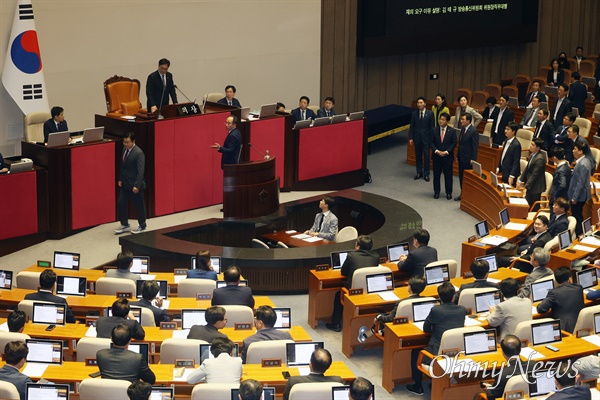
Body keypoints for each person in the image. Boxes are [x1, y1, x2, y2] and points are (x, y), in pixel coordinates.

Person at [406, 282, 467, 395]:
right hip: (456, 352)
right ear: (454, 296)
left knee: (416, 350)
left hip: (437, 354)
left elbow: (426, 328)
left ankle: (418, 386)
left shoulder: (436, 310)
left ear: (439, 297)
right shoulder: (462, 310)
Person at [326, 235, 380, 332]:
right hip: (369, 289)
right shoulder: (376, 256)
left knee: (339, 295)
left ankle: (335, 324)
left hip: (353, 291)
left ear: (357, 246)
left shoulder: (351, 255)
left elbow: (343, 272)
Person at [115, 132, 147, 235]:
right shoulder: (124, 149)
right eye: (124, 142)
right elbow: (122, 166)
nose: (125, 144)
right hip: (125, 183)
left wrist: (136, 185)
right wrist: (120, 178)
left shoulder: (138, 153)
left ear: (133, 142)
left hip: (134, 185)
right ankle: (125, 225)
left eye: (128, 142)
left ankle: (142, 225)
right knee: (121, 202)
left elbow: (140, 171)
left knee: (139, 205)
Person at [537, 266, 584, 333]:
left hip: (564, 329)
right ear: (569, 278)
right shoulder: (579, 288)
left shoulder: (554, 292)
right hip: (580, 325)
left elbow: (541, 309)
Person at [479, 335, 524, 400]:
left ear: (503, 352)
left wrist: (489, 388)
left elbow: (492, 396)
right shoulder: (533, 366)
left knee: (478, 395)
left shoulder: (503, 374)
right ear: (520, 350)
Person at [430, 112, 457, 200]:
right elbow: (431, 142)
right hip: (437, 156)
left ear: (447, 121)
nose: (440, 121)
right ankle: (436, 192)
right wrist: (436, 151)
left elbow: (454, 143)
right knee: (436, 175)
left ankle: (448, 192)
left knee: (448, 175)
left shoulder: (452, 131)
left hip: (447, 157)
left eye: (443, 120)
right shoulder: (434, 130)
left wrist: (446, 151)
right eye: (440, 119)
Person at [568, 141, 593, 236]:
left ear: (581, 151)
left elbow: (580, 183)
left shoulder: (583, 164)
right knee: (577, 215)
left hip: (579, 196)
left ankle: (580, 235)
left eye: (575, 149)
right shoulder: (585, 160)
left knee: (577, 217)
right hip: (580, 195)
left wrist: (574, 197)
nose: (573, 151)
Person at [409, 96, 435, 181]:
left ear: (425, 104)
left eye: (421, 103)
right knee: (418, 156)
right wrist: (411, 138)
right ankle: (419, 172)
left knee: (426, 156)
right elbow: (412, 127)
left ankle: (426, 173)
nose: (419, 104)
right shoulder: (414, 114)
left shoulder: (430, 114)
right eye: (418, 103)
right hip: (417, 139)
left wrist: (432, 139)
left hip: (426, 139)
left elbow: (432, 128)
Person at [455, 112, 479, 200]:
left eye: (463, 119)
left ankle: (467, 195)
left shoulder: (474, 131)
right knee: (461, 176)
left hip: (468, 159)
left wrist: (473, 158)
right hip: (461, 157)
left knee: (467, 177)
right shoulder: (462, 129)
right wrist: (457, 155)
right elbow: (460, 144)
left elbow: (475, 146)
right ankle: (462, 193)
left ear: (468, 121)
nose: (461, 121)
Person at [517, 138, 547, 206]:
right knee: (527, 205)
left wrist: (526, 187)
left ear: (538, 148)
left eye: (533, 145)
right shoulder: (533, 155)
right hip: (531, 185)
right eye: (531, 144)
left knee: (533, 207)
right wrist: (520, 180)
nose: (530, 146)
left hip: (535, 187)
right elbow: (527, 169)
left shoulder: (540, 159)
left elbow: (534, 175)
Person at [496, 122, 521, 186]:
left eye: (508, 129)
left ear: (513, 132)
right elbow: (502, 155)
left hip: (510, 174)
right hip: (504, 172)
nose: (505, 131)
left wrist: (512, 176)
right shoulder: (506, 141)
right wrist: (499, 167)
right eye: (505, 129)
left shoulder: (516, 145)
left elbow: (516, 162)